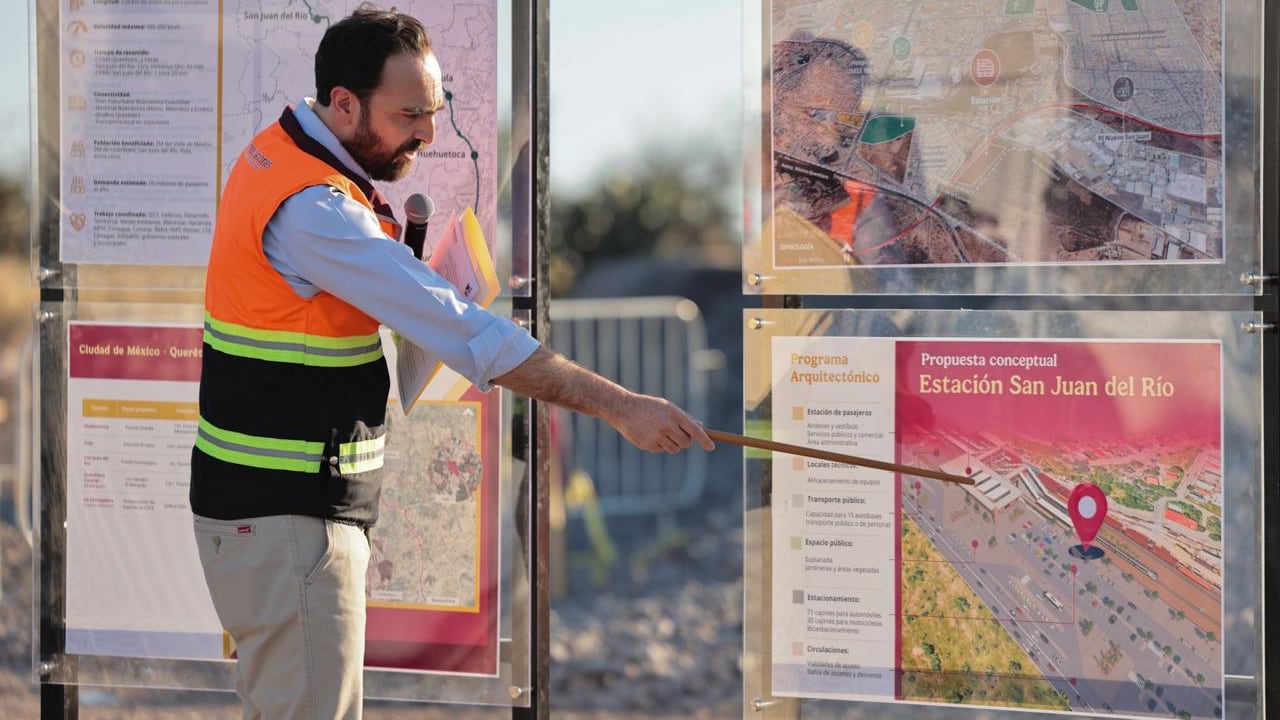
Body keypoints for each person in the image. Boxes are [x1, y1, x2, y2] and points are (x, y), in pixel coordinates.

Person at [188, 5, 714, 718]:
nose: (428, 135)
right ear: (343, 104)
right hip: (287, 523)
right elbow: (464, 331)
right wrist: (621, 406)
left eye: (434, 111)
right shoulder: (312, 207)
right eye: (409, 114)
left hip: (276, 515)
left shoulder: (282, 159)